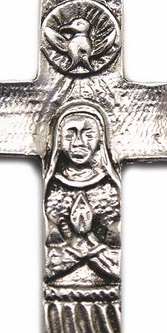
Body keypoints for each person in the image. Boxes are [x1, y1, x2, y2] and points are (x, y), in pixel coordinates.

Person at [43, 102, 120, 285]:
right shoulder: (54, 187)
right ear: (59, 139)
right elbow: (53, 245)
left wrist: (95, 251)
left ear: (100, 139)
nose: (78, 143)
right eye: (70, 135)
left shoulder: (108, 188)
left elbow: (113, 243)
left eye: (89, 135)